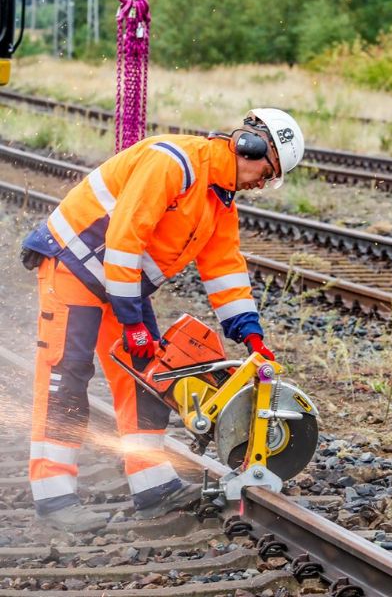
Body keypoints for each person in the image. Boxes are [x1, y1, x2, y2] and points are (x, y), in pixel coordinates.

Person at [19, 108, 305, 532]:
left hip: (119, 281)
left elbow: (224, 268)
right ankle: (54, 497)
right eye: (269, 171)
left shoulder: (218, 201)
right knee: (67, 374)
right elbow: (124, 238)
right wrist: (133, 321)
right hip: (74, 266)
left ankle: (152, 485)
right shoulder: (172, 163)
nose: (263, 183)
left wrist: (251, 333)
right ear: (250, 146)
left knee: (151, 376)